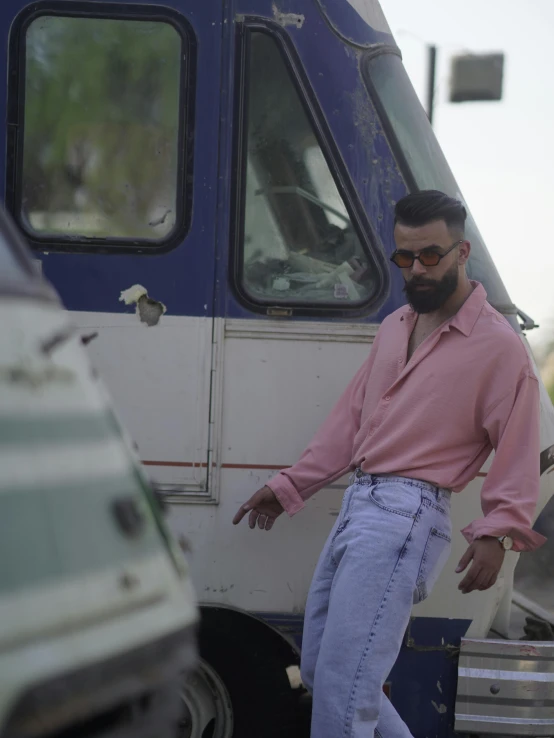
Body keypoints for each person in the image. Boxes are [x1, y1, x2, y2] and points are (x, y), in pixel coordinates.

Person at [233, 190, 545, 738]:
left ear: (462, 251)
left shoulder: (498, 346)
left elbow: (518, 445)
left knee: (344, 688)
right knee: (325, 672)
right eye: (404, 257)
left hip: (406, 516)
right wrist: (289, 486)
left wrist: (498, 532)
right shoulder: (396, 325)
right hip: (361, 505)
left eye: (430, 255)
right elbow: (350, 424)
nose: (416, 270)